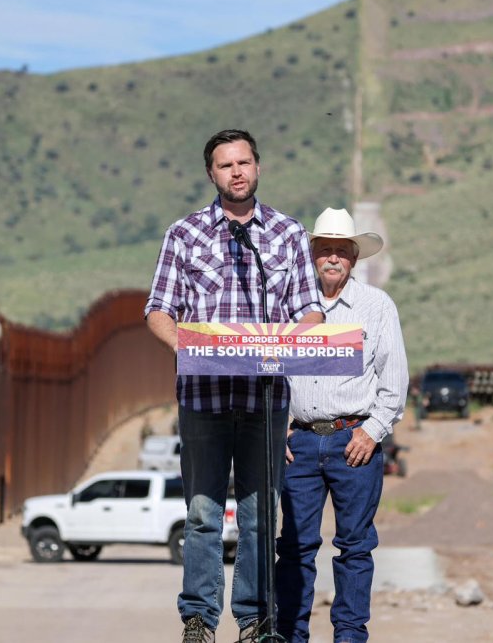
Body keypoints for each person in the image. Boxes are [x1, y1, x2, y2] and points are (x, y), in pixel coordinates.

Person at [145, 129, 325, 643]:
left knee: (259, 515)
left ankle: (254, 619)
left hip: (264, 399)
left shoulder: (288, 235)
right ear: (211, 174)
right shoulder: (184, 234)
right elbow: (158, 311)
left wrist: (287, 344)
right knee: (202, 512)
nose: (236, 172)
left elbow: (310, 311)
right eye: (225, 165)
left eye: (244, 162)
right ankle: (199, 619)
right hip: (203, 399)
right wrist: (192, 351)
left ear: (258, 167)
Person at [274, 207, 409, 643]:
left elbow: (394, 379)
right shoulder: (286, 305)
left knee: (355, 545)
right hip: (300, 441)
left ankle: (349, 636)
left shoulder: (376, 307)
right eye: (324, 250)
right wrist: (277, 430)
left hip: (355, 439)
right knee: (294, 546)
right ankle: (291, 633)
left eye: (341, 251)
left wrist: (372, 432)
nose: (332, 259)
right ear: (310, 254)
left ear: (354, 257)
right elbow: (266, 370)